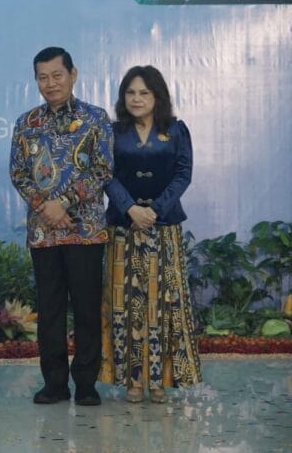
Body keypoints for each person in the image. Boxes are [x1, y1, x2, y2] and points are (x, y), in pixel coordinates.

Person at [9, 46, 113, 406]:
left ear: (73, 74)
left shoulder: (96, 118)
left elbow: (102, 169)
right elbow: (18, 173)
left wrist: (64, 202)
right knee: (50, 310)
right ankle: (53, 383)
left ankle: (86, 384)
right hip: (44, 233)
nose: (50, 83)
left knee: (86, 308)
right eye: (43, 77)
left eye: (57, 75)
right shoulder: (26, 123)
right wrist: (45, 207)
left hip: (86, 231)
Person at [100, 65, 202, 403]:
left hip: (164, 227)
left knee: (163, 304)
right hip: (123, 227)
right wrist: (131, 208)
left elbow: (183, 174)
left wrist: (154, 210)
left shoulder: (175, 130)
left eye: (144, 92)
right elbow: (106, 174)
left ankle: (159, 381)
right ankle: (132, 380)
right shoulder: (112, 132)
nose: (137, 99)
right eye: (131, 93)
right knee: (126, 306)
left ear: (157, 96)